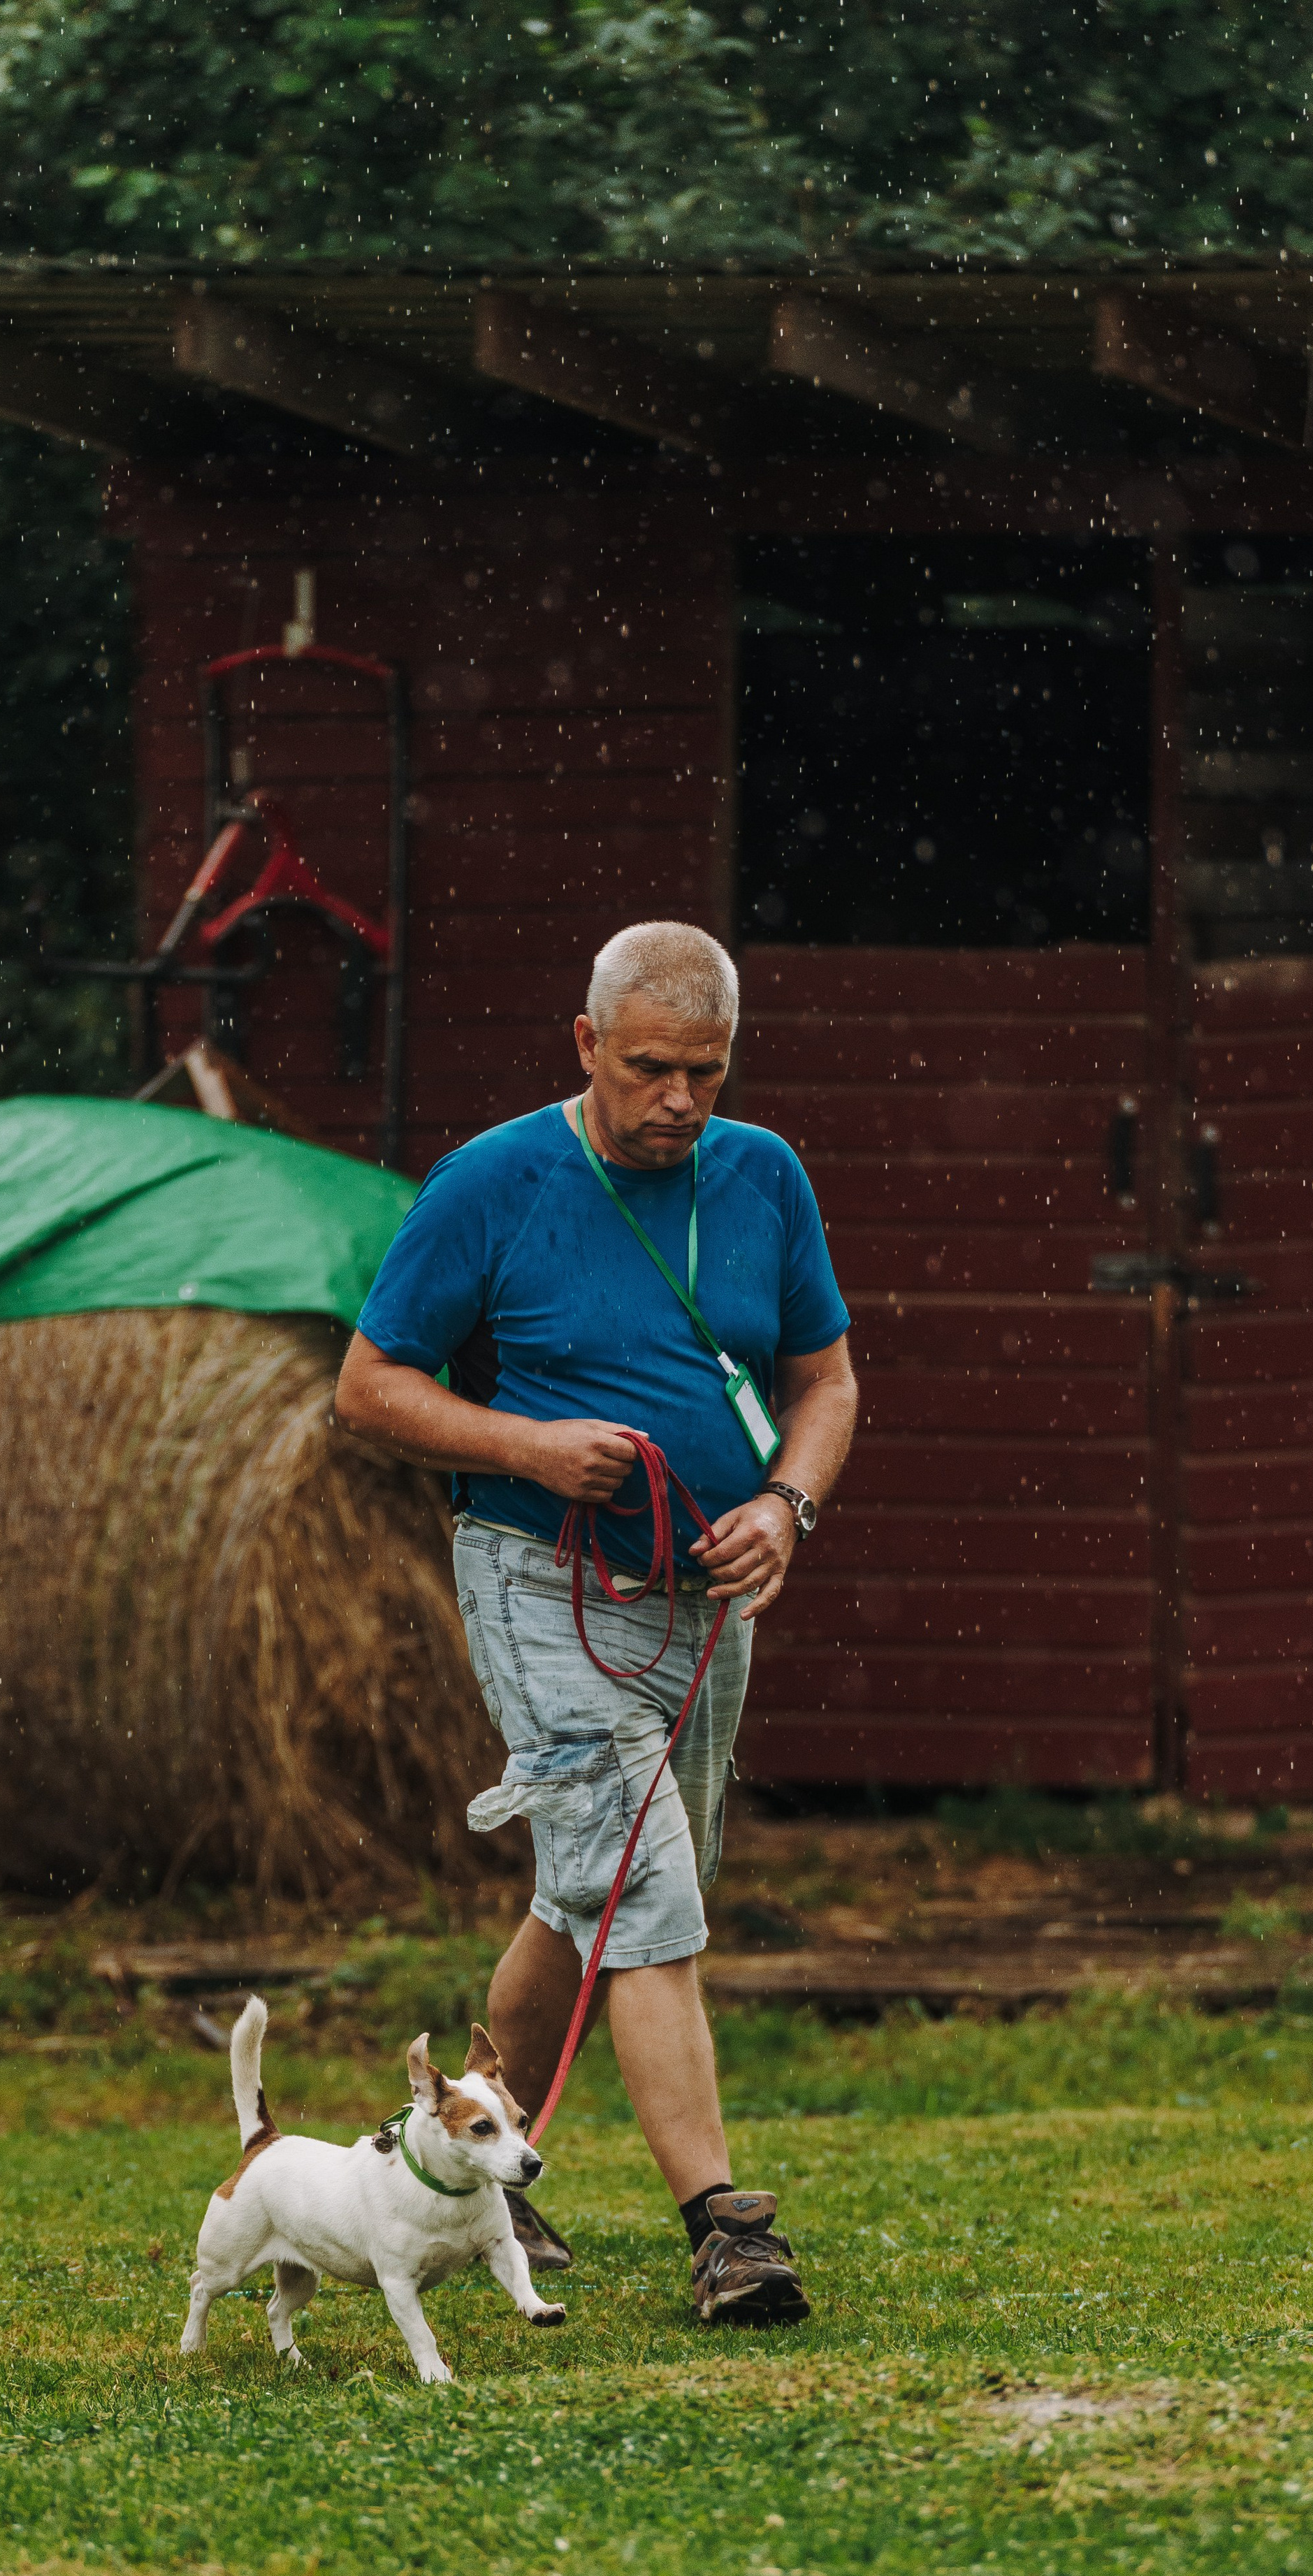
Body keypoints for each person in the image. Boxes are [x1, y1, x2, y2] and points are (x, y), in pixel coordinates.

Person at [335, 921, 857, 2324]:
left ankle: (459, 2152)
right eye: (647, 1069)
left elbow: (823, 1377)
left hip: (702, 1602)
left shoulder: (764, 1177)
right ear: (585, 1046)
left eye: (704, 1069)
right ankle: (724, 2226)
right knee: (644, 1892)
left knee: (587, 1892)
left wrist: (786, 1505)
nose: (678, 1099)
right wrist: (524, 1444)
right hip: (536, 1576)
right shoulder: (492, 1180)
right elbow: (368, 1385)